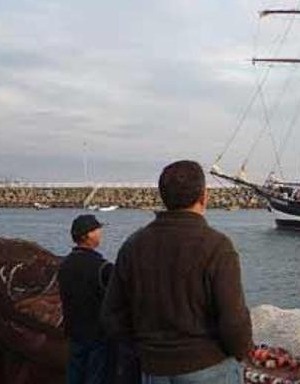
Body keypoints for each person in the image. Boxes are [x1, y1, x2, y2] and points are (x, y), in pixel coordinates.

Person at [102, 160, 253, 384]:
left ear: (164, 197)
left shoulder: (133, 246)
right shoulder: (217, 246)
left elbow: (112, 315)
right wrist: (242, 351)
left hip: (154, 368)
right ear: (204, 196)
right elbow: (233, 320)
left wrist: (145, 350)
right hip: (208, 366)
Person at [59, 214, 114, 384]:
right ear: (88, 235)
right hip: (97, 334)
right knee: (96, 376)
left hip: (74, 332)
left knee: (74, 375)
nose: (100, 233)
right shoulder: (103, 267)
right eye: (97, 230)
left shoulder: (65, 264)